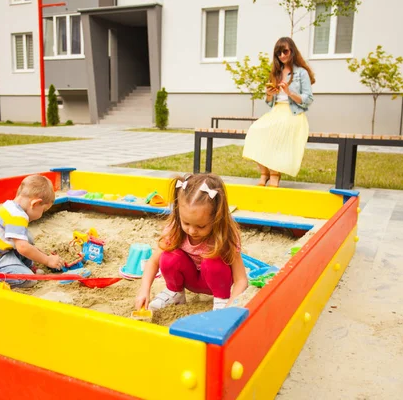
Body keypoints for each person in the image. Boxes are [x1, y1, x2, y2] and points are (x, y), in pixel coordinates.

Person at [135, 173, 248, 311]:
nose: (192, 231)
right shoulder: (175, 230)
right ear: (178, 213)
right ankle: (175, 293)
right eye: (186, 222)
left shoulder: (225, 235)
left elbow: (241, 280)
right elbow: (153, 262)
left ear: (217, 218)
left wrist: (231, 305)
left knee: (212, 260)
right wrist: (144, 290)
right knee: (168, 256)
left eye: (201, 226)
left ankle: (220, 301)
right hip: (190, 279)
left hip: (217, 284)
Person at [243, 37, 315, 188]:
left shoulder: (301, 73)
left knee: (277, 132)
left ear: (292, 51)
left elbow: (308, 99)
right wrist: (269, 93)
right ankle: (264, 173)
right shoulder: (276, 73)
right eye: (278, 53)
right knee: (255, 130)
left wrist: (289, 92)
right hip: (276, 111)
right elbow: (270, 102)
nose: (282, 55)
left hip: (294, 113)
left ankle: (275, 174)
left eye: (285, 51)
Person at [0, 174, 65, 288]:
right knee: (28, 279)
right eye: (43, 210)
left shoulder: (11, 206)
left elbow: (23, 245)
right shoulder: (17, 216)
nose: (42, 214)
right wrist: (47, 260)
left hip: (0, 252)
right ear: (35, 203)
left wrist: (41, 255)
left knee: (26, 237)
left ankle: (24, 266)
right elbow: (23, 248)